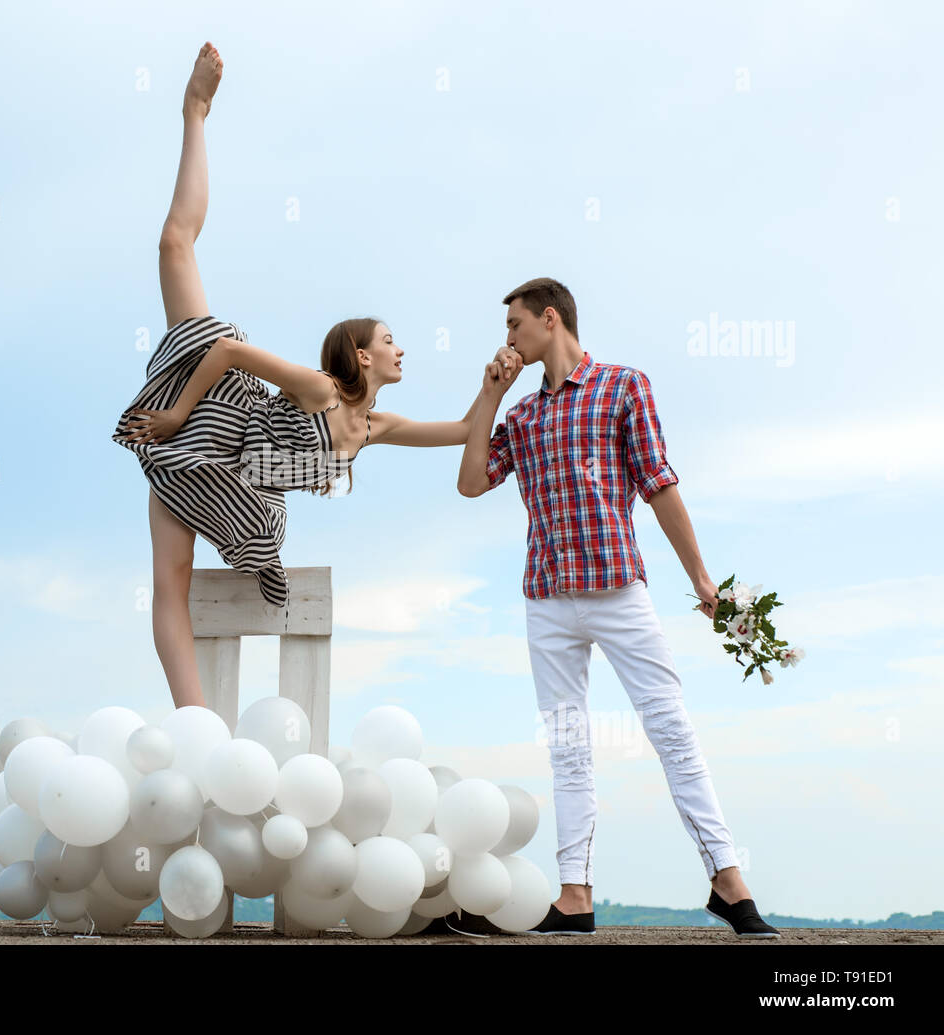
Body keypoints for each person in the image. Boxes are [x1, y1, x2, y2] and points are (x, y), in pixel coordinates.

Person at [112, 44, 484, 709]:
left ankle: (198, 727)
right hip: (212, 415)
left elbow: (461, 430)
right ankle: (195, 113)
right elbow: (224, 352)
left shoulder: (374, 426)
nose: (404, 351)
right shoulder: (320, 389)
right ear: (362, 357)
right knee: (174, 242)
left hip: (245, 494)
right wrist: (172, 417)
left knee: (174, 579)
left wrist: (498, 383)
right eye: (391, 341)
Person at [448, 277, 779, 939]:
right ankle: (575, 896)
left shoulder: (624, 386)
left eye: (514, 326)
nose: (508, 339)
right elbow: (469, 482)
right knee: (569, 749)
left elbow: (659, 485)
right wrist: (490, 390)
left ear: (549, 320)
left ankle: (728, 880)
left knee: (672, 730)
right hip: (546, 598)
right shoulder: (521, 416)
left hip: (620, 591)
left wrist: (704, 581)